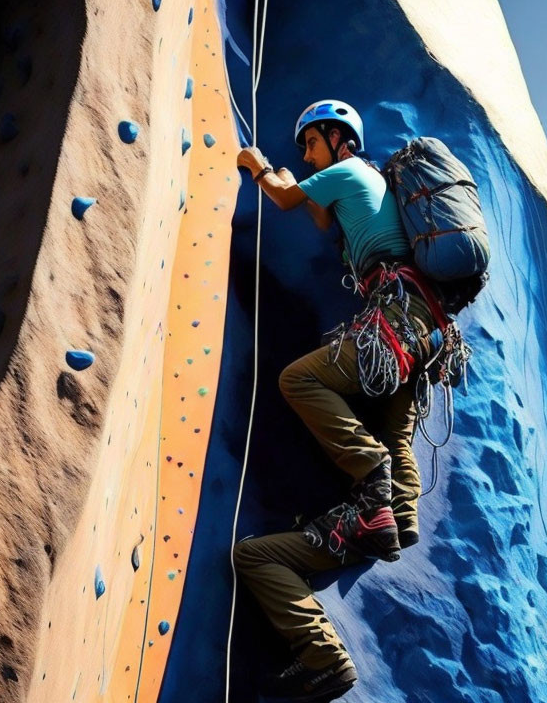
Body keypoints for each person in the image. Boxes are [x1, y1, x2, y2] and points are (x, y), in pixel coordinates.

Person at [233, 99, 444, 701]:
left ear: (335, 140)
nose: (304, 155)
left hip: (395, 313)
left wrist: (259, 164)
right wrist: (306, 190)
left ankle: (374, 489)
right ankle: (396, 522)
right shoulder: (365, 183)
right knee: (396, 431)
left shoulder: (351, 170)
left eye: (310, 144)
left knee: (300, 380)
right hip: (423, 327)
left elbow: (286, 197)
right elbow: (325, 223)